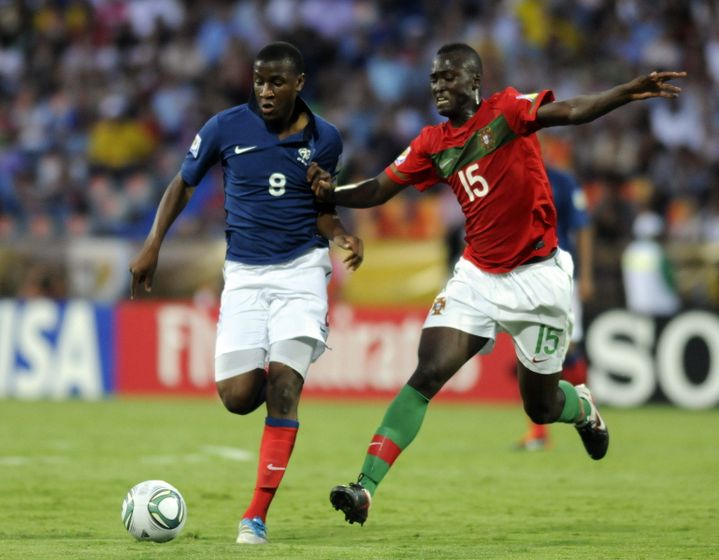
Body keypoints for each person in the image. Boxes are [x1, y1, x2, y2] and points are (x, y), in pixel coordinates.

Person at [308, 42, 684, 526]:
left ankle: (583, 407)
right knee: (428, 373)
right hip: (478, 276)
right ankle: (364, 487)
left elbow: (568, 111)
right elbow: (381, 187)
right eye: (434, 79)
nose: (439, 87)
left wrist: (625, 93)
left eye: (449, 77)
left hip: (539, 280)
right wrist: (330, 192)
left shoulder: (506, 111)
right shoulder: (431, 143)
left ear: (474, 81)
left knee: (543, 406)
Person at [129, 41, 363, 544]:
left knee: (283, 383)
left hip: (302, 272)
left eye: (276, 82)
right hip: (245, 276)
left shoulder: (327, 138)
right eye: (258, 81)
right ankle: (281, 373)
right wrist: (153, 245)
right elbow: (182, 184)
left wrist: (339, 229)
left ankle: (254, 515)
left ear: (299, 83)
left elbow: (322, 210)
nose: (265, 91)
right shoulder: (224, 127)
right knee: (236, 397)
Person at [515, 164, 595, 451]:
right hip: (526, 274)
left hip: (563, 272)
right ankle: (537, 432)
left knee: (569, 347)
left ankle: (585, 408)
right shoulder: (513, 178)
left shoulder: (563, 181)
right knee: (531, 350)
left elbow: (582, 227)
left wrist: (586, 275)